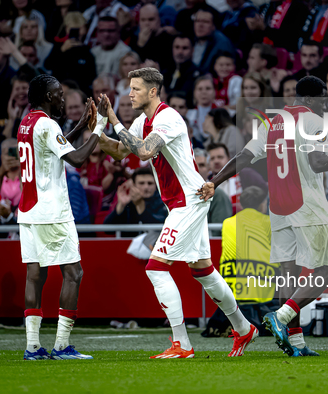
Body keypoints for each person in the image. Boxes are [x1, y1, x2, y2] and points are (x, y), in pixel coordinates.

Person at [198, 76, 328, 357]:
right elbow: (318, 161)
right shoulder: (313, 121)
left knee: (290, 274)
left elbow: (244, 156)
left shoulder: (273, 122)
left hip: (279, 208)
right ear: (310, 99)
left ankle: (296, 343)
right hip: (307, 204)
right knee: (326, 271)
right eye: (323, 99)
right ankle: (281, 317)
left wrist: (215, 180)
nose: (326, 105)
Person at [96, 67, 257, 358]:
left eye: (135, 89)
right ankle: (244, 328)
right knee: (203, 270)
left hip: (189, 200)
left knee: (156, 268)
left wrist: (114, 120)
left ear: (153, 91)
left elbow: (144, 152)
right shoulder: (142, 120)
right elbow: (121, 151)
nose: (129, 93)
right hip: (183, 200)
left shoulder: (168, 117)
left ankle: (181, 343)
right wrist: (95, 130)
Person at [17, 74, 102, 361]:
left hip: (28, 211)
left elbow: (57, 147)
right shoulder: (47, 123)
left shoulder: (26, 122)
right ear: (46, 97)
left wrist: (80, 126)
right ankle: (62, 345)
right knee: (73, 273)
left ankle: (32, 347)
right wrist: (98, 130)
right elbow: (76, 159)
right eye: (58, 94)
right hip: (52, 210)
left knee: (35, 275)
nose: (62, 98)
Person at [219, 185, 275, 303]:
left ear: (241, 205)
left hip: (233, 296)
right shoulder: (270, 224)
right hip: (263, 297)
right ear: (262, 204)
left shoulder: (227, 223)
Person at [103, 166, 168, 237]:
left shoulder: (164, 203)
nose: (146, 187)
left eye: (150, 183)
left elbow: (158, 228)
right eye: (141, 183)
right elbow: (107, 229)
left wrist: (140, 205)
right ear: (133, 185)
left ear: (156, 185)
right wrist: (121, 205)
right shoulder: (128, 202)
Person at [194, 147, 232, 236]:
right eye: (193, 165)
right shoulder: (177, 192)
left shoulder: (218, 195)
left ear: (209, 170)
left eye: (202, 165)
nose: (197, 169)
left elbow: (218, 232)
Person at [191, 7, 235, 75]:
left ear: (213, 26)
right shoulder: (191, 39)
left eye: (205, 21)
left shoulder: (222, 44)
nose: (200, 25)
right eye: (197, 21)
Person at [0, 138, 21, 209]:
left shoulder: (28, 175)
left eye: (14, 153)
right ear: (2, 157)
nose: (11, 157)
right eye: (7, 153)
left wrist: (22, 165)